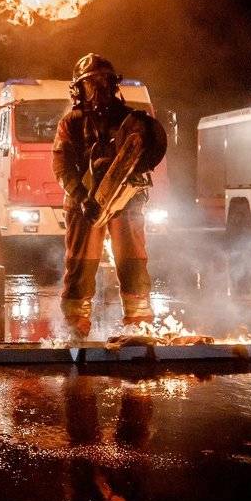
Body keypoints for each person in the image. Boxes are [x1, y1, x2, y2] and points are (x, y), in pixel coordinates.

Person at [52, 53, 165, 338]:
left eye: (103, 81)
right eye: (91, 83)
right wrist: (80, 196)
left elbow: (146, 154)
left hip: (125, 201)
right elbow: (62, 164)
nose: (98, 88)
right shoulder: (71, 123)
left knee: (133, 262)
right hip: (83, 205)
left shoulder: (133, 121)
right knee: (80, 263)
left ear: (113, 84)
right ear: (79, 89)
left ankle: (139, 326)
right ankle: (76, 329)